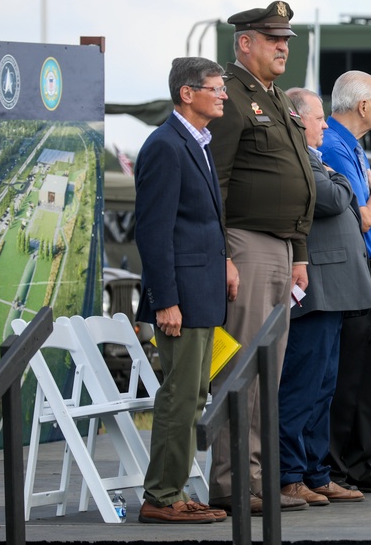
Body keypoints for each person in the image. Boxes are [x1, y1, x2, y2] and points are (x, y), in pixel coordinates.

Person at [207, 0, 315, 514]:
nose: (283, 47)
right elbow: (216, 182)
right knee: (241, 368)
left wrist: (299, 253)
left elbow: (295, 183)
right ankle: (231, 483)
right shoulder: (230, 96)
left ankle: (257, 476)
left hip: (279, 246)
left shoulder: (276, 100)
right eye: (273, 39)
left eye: (287, 40)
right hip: (244, 243)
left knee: (267, 371)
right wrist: (220, 253)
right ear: (244, 42)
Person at [134, 57, 230, 524]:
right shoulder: (165, 146)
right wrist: (164, 300)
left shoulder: (198, 143)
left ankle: (172, 491)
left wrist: (225, 262)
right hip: (181, 297)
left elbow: (202, 221)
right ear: (187, 94)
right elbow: (153, 232)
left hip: (202, 289)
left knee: (193, 396)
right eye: (215, 88)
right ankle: (162, 497)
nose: (224, 95)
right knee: (180, 394)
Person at [277, 88, 371, 508]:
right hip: (315, 290)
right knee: (302, 387)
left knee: (323, 389)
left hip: (334, 290)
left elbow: (338, 190)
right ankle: (289, 474)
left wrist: (338, 181)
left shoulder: (316, 158)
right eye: (318, 119)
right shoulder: (298, 159)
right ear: (298, 120)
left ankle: (316, 473)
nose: (323, 125)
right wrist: (340, 181)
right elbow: (336, 195)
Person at [320, 71, 371, 493]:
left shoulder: (350, 146)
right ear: (363, 106)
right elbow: (358, 215)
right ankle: (337, 467)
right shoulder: (333, 146)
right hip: (353, 272)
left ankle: (358, 464)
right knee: (348, 373)